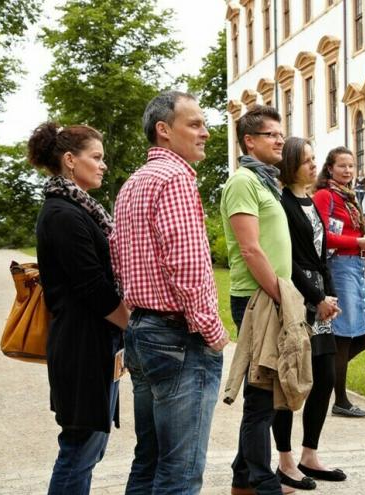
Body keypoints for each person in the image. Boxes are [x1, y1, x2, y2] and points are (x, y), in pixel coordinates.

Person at [111, 91, 229, 494]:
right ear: (164, 131)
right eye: (194, 124)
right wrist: (212, 332)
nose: (206, 133)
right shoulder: (176, 178)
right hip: (178, 337)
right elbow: (188, 264)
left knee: (148, 461)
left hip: (142, 332)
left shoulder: (133, 183)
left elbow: (118, 259)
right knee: (179, 472)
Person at [30, 122, 131, 495]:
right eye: (97, 157)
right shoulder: (63, 214)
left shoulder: (79, 209)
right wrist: (130, 325)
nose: (103, 165)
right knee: (80, 448)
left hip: (93, 342)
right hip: (81, 345)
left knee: (89, 446)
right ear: (70, 161)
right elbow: (92, 288)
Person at [220, 104, 292, 495]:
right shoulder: (243, 182)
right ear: (249, 141)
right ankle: (262, 483)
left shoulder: (266, 183)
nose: (280, 139)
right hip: (256, 299)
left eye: (281, 133)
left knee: (264, 394)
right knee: (260, 396)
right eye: (271, 134)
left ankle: (242, 479)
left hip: (270, 296)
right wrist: (280, 295)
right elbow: (250, 249)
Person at [273, 137, 348, 490]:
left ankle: (309, 454)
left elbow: (321, 253)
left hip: (319, 298)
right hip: (297, 297)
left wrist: (329, 294)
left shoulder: (310, 201)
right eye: (306, 160)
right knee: (291, 379)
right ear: (290, 164)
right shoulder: (282, 203)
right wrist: (317, 296)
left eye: (314, 159)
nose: (313, 165)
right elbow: (287, 261)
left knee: (325, 377)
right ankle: (285, 461)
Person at [312, 148, 365, 418]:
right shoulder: (325, 195)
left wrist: (362, 246)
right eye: (342, 166)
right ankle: (339, 398)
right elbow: (322, 236)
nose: (348, 170)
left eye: (351, 165)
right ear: (330, 169)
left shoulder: (349, 197)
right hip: (338, 266)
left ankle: (322, 373)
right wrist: (356, 242)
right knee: (345, 334)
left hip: (355, 266)